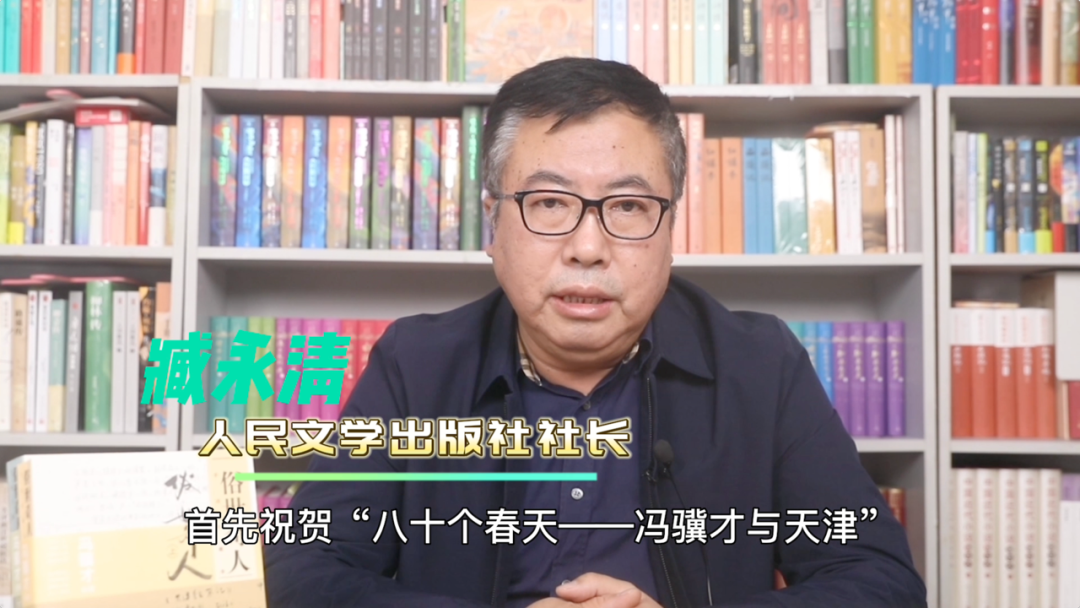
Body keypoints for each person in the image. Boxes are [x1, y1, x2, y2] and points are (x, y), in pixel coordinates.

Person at [263, 57, 928, 608]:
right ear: (493, 224)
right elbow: (302, 571)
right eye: (549, 202)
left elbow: (879, 581)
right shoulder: (418, 362)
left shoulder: (759, 363)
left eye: (629, 206)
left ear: (670, 229)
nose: (588, 247)